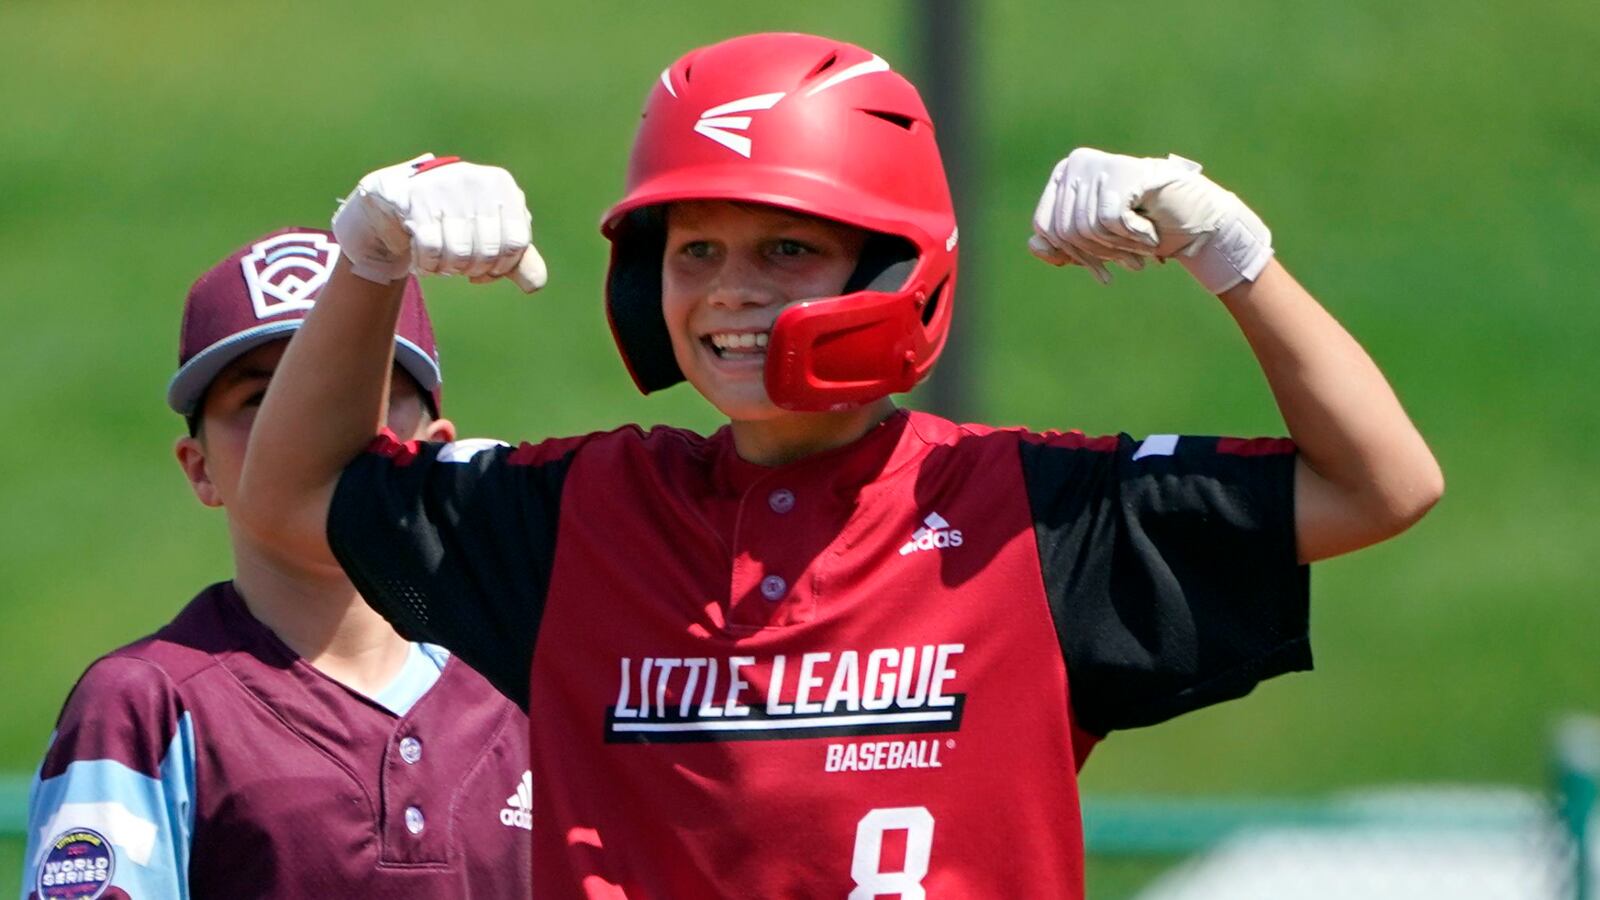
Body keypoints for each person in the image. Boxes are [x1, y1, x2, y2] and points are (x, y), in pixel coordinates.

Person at [235, 33, 1443, 897]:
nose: (729, 291)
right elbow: (291, 500)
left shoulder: (1027, 513)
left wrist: (1221, 244)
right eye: (695, 247)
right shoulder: (584, 513)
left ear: (890, 271)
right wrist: (369, 257)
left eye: (787, 247)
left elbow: (1381, 483)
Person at [20, 228, 531, 900]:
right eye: (264, 399)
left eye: (358, 391)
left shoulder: (524, 685)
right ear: (199, 468)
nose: (316, 432)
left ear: (436, 448)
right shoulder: (144, 703)